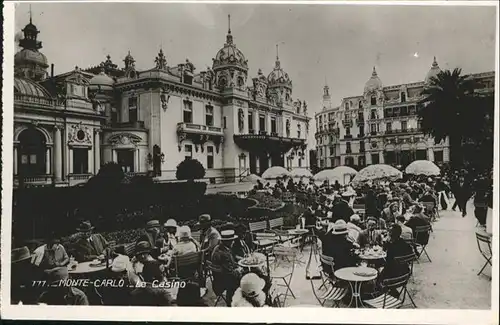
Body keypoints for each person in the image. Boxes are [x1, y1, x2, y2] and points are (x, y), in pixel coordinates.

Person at [211, 230, 243, 306]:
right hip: (224, 282)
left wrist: (240, 259)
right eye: (232, 241)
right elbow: (230, 273)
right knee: (248, 276)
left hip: (218, 279)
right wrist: (240, 269)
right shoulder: (223, 254)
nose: (233, 242)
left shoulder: (220, 248)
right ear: (227, 241)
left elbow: (231, 261)